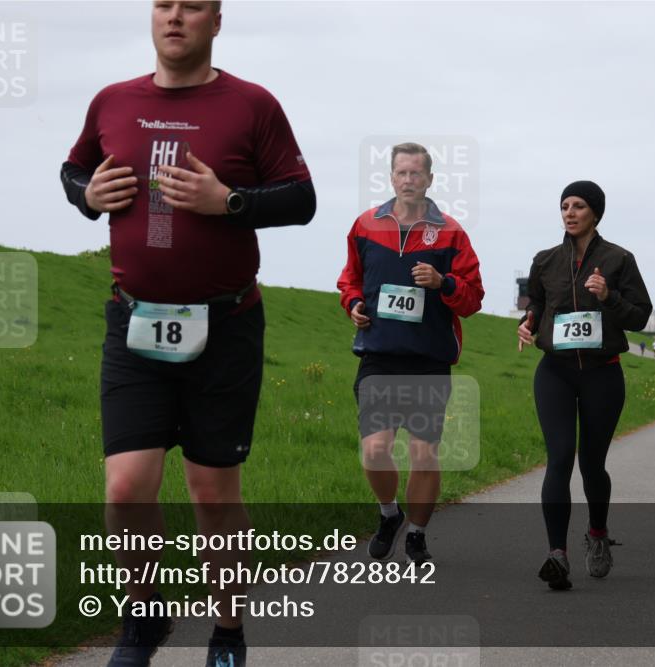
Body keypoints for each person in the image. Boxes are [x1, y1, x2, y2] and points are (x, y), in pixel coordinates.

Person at [60, 2, 316, 665]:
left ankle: (227, 632)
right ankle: (143, 620)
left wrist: (228, 201)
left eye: (192, 6)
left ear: (216, 21)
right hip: (134, 322)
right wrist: (86, 195)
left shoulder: (252, 105)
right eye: (164, 4)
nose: (175, 17)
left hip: (225, 326)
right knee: (125, 486)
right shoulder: (113, 101)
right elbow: (73, 170)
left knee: (212, 491)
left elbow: (301, 198)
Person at [337, 142, 484, 567]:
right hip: (379, 356)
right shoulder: (365, 225)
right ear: (391, 177)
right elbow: (350, 279)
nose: (408, 180)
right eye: (401, 172)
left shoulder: (451, 233)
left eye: (416, 173)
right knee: (374, 450)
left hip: (428, 360)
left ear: (430, 179)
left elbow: (473, 298)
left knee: (422, 453)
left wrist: (443, 283)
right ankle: (390, 514)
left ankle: (417, 535)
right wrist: (353, 305)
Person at [517, 180, 651, 590]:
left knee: (591, 464)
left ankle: (597, 532)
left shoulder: (619, 259)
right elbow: (538, 304)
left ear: (595, 212)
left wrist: (608, 296)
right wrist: (528, 323)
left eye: (578, 206)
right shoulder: (545, 260)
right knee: (559, 458)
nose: (570, 213)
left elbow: (639, 316)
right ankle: (557, 554)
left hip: (601, 372)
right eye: (564, 206)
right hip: (555, 371)